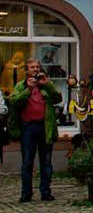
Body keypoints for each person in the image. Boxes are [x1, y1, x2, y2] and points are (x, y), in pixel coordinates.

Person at [8, 59, 62, 202]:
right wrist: (28, 90)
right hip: (28, 128)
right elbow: (14, 102)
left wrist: (48, 85)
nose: (35, 69)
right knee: (27, 162)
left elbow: (58, 98)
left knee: (46, 162)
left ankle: (45, 192)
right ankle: (26, 193)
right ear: (27, 70)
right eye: (32, 67)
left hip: (45, 127)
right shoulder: (21, 86)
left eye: (37, 67)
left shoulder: (45, 84)